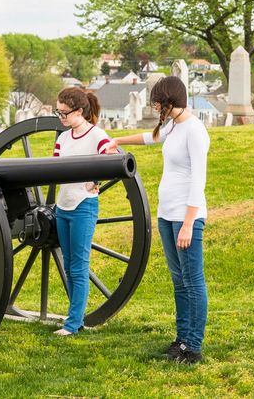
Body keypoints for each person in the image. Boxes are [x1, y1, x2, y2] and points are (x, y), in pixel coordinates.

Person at [105, 76, 209, 364]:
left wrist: (189, 223)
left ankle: (193, 347)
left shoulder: (195, 130)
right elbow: (151, 138)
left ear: (170, 100)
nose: (154, 106)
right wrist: (117, 140)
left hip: (186, 217)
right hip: (166, 214)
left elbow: (198, 181)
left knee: (193, 280)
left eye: (157, 101)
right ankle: (182, 339)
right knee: (179, 281)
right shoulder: (173, 126)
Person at [52, 87, 111, 336]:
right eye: (58, 112)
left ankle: (73, 323)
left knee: (78, 266)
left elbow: (111, 156)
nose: (61, 118)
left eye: (64, 113)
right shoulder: (63, 139)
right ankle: (74, 314)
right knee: (68, 266)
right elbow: (53, 167)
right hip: (62, 207)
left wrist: (95, 179)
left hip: (83, 206)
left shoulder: (96, 135)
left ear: (79, 111)